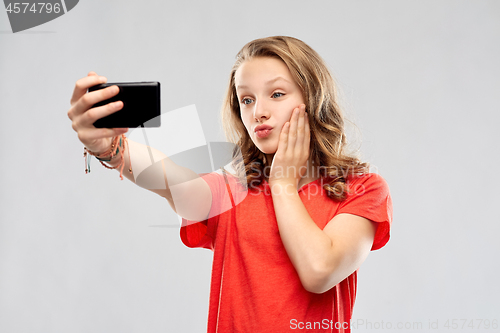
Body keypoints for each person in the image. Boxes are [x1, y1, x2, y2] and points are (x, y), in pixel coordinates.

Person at [68, 36, 393, 333]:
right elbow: (169, 178)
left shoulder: (363, 189)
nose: (259, 112)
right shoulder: (231, 189)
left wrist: (282, 183)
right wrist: (108, 148)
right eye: (247, 100)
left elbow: (319, 271)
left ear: (313, 97)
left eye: (276, 94)